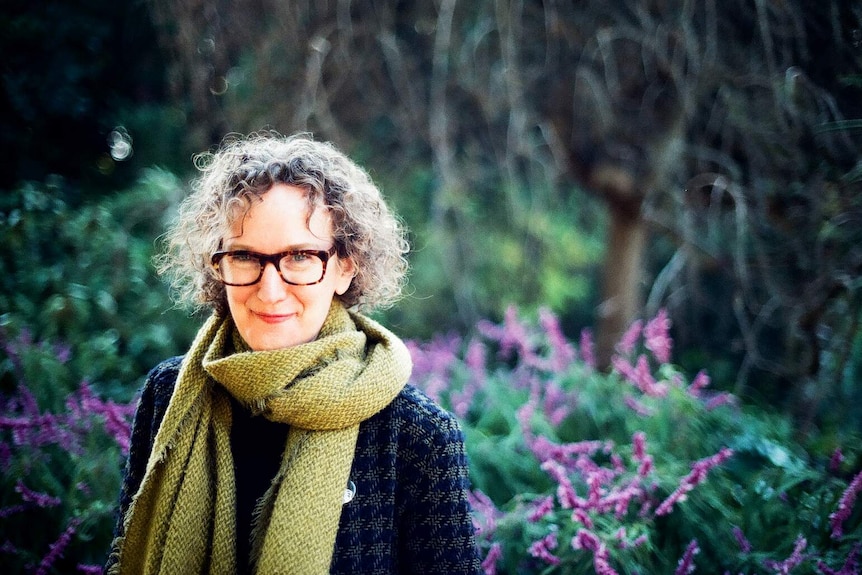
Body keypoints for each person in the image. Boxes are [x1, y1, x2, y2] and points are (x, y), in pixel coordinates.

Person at [106, 132, 481, 574]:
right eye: (244, 256)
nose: (269, 290)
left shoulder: (417, 436)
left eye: (300, 256)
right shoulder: (168, 395)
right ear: (219, 264)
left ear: (345, 266)